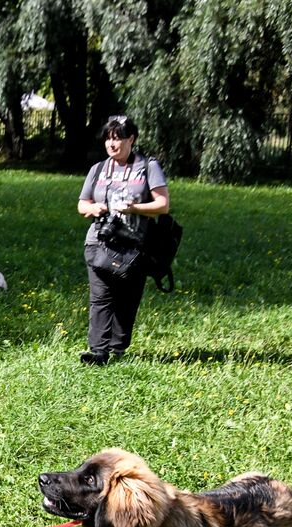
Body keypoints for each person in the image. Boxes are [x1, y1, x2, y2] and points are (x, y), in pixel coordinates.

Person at [76, 114, 170, 365]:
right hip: (99, 242)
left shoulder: (148, 167)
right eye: (108, 138)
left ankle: (117, 348)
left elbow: (163, 205)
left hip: (135, 245)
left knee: (127, 299)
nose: (111, 144)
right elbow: (82, 204)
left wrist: (134, 209)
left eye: (117, 138)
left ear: (132, 139)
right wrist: (93, 209)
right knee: (100, 297)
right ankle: (97, 351)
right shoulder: (98, 169)